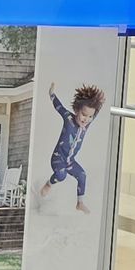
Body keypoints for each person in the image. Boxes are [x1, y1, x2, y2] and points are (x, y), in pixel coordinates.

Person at [36, 81, 105, 212]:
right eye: (84, 114)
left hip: (70, 162)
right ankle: (48, 184)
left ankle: (80, 203)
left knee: (82, 175)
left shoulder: (87, 124)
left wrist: (99, 99)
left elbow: (98, 110)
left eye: (90, 116)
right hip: (58, 158)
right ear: (76, 110)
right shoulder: (69, 118)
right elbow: (59, 107)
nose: (86, 119)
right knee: (61, 175)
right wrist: (51, 94)